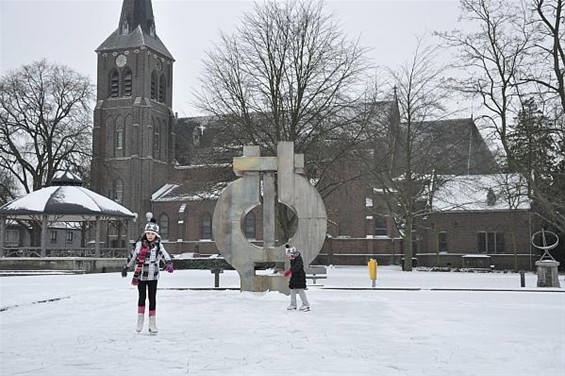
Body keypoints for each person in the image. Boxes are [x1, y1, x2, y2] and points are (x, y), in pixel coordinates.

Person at [122, 217, 174, 333]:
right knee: (142, 297)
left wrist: (169, 262)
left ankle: (152, 322)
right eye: (148, 233)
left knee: (152, 298)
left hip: (153, 275)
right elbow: (132, 256)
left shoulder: (158, 245)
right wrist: (126, 266)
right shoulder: (139, 245)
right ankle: (140, 321)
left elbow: (164, 254)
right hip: (140, 275)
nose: (150, 236)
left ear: (156, 235)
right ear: (145, 233)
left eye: (153, 234)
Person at [284, 244, 310, 312]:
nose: (289, 257)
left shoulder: (298, 259)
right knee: (292, 290)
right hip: (294, 277)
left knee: (300, 290)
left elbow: (297, 267)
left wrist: (290, 271)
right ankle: (293, 305)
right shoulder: (293, 259)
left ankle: (306, 305)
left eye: (290, 255)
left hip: (299, 277)